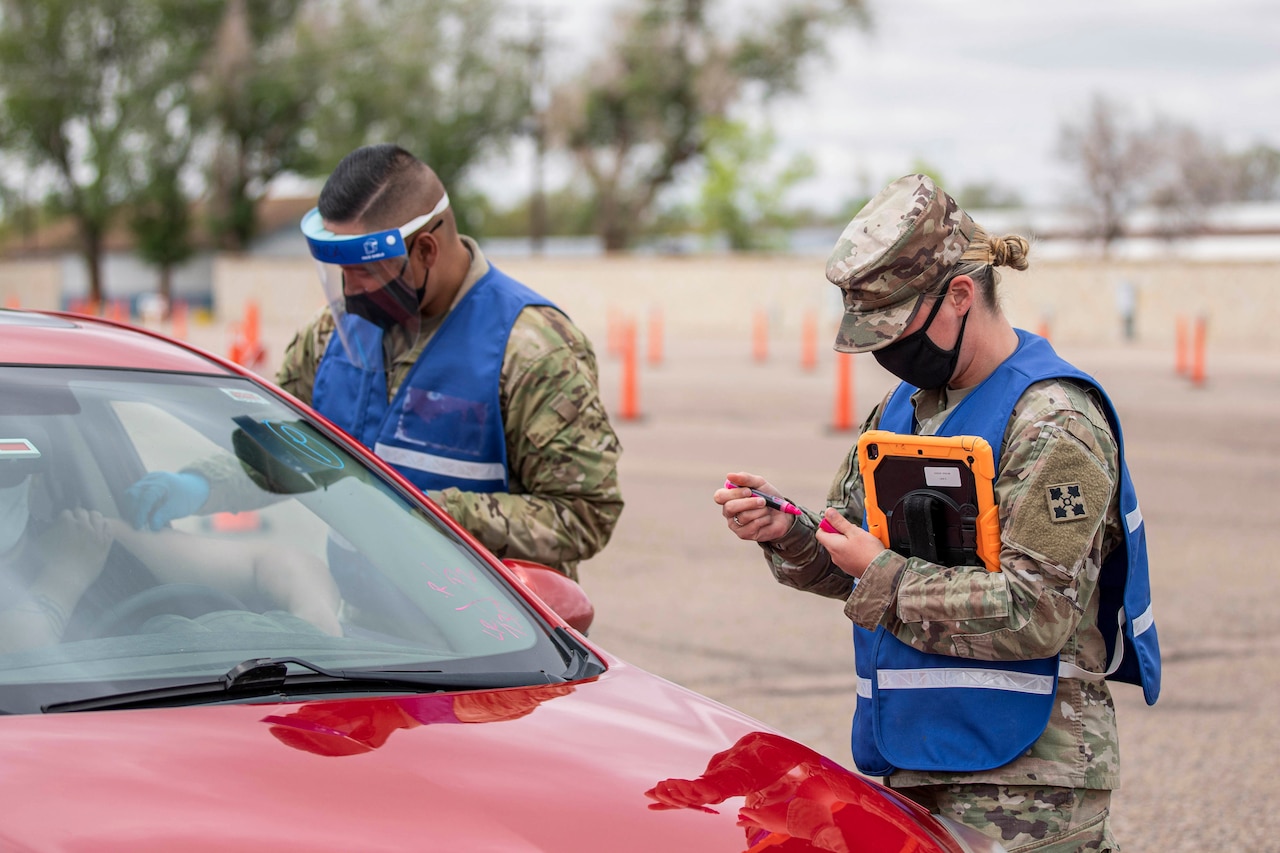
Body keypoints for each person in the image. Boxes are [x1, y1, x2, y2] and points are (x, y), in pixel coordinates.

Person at [714, 174, 1160, 852]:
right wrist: (794, 534)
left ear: (959, 295)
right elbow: (853, 559)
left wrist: (884, 573)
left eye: (895, 328)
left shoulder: (1055, 422)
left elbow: (1037, 608)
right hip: (916, 755)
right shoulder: (906, 408)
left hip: (1030, 783)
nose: (886, 352)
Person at [125, 144, 622, 581]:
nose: (350, 291)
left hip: (495, 655)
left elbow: (584, 514)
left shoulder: (529, 348)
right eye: (341, 272)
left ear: (425, 249)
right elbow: (285, 454)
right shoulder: (330, 337)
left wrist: (427, 512)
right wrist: (199, 484)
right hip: (372, 639)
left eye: (364, 271)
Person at [0, 424, 340, 650]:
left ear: (36, 481)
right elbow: (19, 670)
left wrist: (315, 621)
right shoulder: (76, 553)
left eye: (7, 470)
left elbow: (279, 562)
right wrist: (65, 575)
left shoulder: (86, 536)